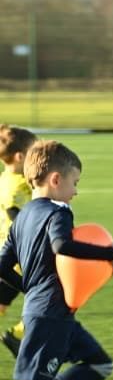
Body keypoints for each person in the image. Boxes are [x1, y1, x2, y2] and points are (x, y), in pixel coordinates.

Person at [0, 140, 113, 380]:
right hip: (50, 319)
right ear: (55, 179)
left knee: (101, 365)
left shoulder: (21, 218)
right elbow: (62, 247)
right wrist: (107, 253)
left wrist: (32, 286)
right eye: (74, 182)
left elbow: (3, 265)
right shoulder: (58, 212)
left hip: (51, 315)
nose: (76, 191)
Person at [0, 124, 38, 355]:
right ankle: (18, 335)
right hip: (19, 259)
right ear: (20, 156)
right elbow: (16, 218)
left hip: (12, 257)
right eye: (34, 153)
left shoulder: (8, 178)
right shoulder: (15, 187)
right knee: (55, 297)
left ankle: (18, 336)